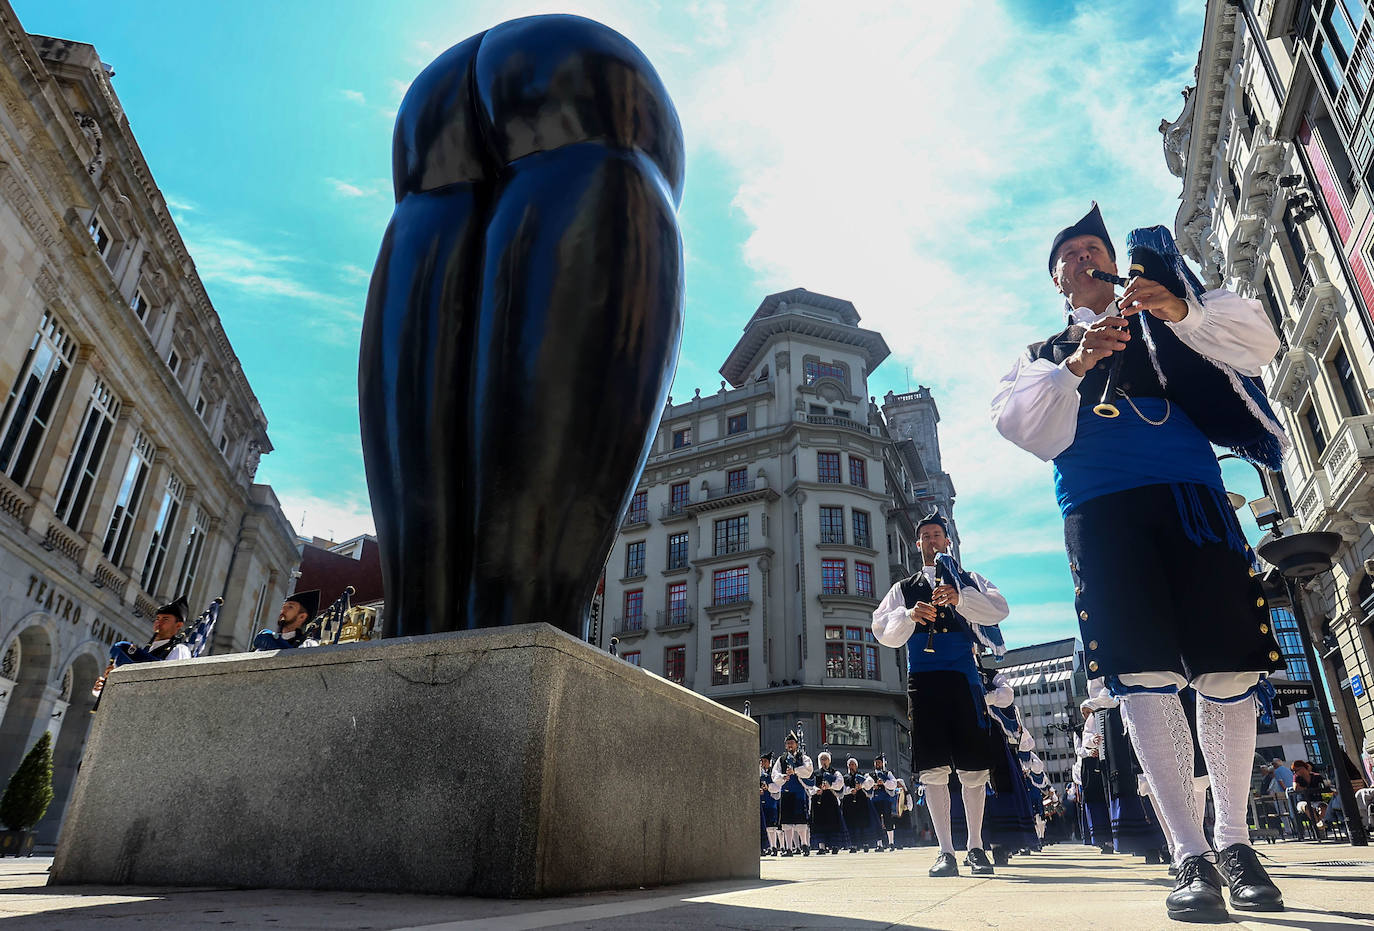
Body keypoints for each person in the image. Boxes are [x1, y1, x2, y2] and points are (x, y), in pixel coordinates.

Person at [992, 204, 1287, 920]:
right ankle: (1189, 852)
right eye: (1072, 253)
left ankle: (1234, 840)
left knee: (1229, 668)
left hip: (1194, 500)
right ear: (1060, 280)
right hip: (1103, 516)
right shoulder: (1038, 355)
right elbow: (1022, 425)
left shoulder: (1173, 305)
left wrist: (1180, 308)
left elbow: (1259, 343)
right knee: (1144, 677)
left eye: (1096, 245)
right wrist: (1079, 360)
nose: (1087, 255)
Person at [872, 510, 1009, 877]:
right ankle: (945, 851)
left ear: (947, 541)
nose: (932, 541)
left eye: (937, 534)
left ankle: (976, 847)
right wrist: (908, 615)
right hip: (924, 681)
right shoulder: (904, 588)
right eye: (926, 536)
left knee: (973, 766)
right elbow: (881, 629)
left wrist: (960, 598)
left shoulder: (969, 578)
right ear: (918, 545)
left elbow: (999, 610)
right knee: (932, 767)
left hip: (964, 678)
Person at [92, 596, 194, 700]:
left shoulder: (179, 650)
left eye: (165, 619)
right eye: (157, 618)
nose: (159, 622)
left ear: (178, 625)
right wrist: (102, 688)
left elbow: (172, 684)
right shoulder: (146, 651)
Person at [770, 732, 813, 856]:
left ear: (796, 744)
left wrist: (795, 771)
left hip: (799, 791)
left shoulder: (803, 757)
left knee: (801, 820)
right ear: (785, 745)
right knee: (786, 822)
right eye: (788, 743)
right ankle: (789, 848)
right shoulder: (781, 759)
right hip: (786, 792)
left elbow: (809, 770)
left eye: (792, 743)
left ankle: (804, 844)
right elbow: (775, 774)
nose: (790, 745)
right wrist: (783, 777)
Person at [251, 590, 322, 651]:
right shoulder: (266, 641)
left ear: (302, 616)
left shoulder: (308, 644)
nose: (283, 610)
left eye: (290, 607)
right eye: (283, 607)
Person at [809, 752, 849, 854]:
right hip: (819, 801)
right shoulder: (815, 773)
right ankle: (822, 847)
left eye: (825, 759)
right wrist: (816, 790)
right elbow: (810, 785)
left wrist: (830, 786)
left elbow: (840, 783)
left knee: (833, 822)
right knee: (820, 824)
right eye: (822, 759)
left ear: (829, 761)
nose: (824, 761)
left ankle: (834, 845)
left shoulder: (835, 772)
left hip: (830, 800)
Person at [840, 758, 879, 852]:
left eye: (853, 764)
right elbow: (842, 789)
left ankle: (865, 844)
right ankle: (853, 845)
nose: (851, 766)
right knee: (851, 824)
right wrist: (850, 790)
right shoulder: (845, 777)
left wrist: (862, 785)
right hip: (849, 802)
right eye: (850, 765)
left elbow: (870, 782)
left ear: (856, 766)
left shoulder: (863, 775)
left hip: (861, 802)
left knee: (863, 823)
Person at [869, 753, 899, 851]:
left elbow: (893, 784)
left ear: (882, 764)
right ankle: (879, 844)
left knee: (888, 820)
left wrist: (884, 782)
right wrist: (873, 785)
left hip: (886, 800)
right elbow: (866, 784)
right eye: (876, 763)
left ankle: (891, 843)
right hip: (875, 801)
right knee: (877, 822)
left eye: (879, 762)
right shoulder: (871, 775)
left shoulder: (887, 773)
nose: (877, 764)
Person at [760, 753, 781, 856]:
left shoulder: (773, 774)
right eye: (761, 761)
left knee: (772, 827)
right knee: (764, 826)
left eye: (764, 761)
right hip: (762, 801)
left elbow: (778, 786)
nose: (762, 763)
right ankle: (767, 847)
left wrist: (768, 787)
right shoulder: (759, 774)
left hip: (771, 801)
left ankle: (773, 847)